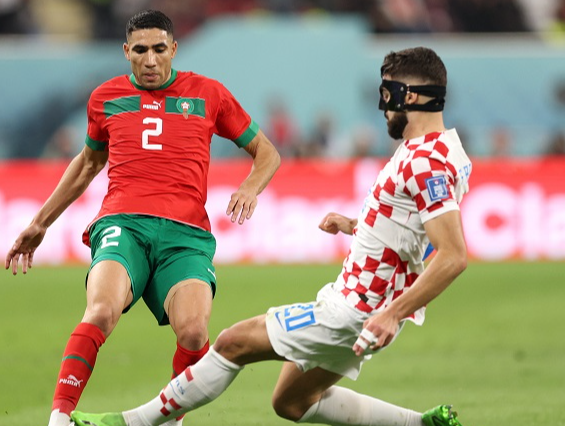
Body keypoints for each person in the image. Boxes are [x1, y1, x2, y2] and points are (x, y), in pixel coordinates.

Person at [71, 46, 471, 426]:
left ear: (410, 96)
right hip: (364, 306)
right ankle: (421, 423)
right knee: (292, 402)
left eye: (387, 94)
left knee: (232, 342)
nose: (383, 107)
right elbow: (415, 229)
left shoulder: (425, 163)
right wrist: (355, 224)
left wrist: (392, 313)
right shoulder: (442, 151)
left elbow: (452, 255)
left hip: (356, 310)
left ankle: (133, 421)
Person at [4, 9, 280, 426]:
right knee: (101, 311)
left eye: (158, 49)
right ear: (126, 52)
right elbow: (88, 163)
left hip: (186, 235)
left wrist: (249, 187)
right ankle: (59, 418)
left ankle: (171, 419)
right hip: (124, 224)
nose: (150, 60)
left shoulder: (209, 94)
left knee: (194, 332)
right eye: (140, 50)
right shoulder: (106, 97)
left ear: (174, 48)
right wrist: (40, 222)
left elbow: (267, 153)